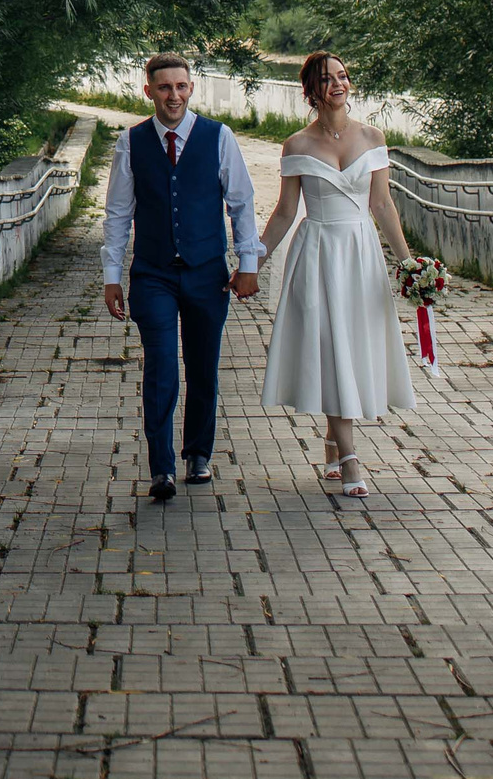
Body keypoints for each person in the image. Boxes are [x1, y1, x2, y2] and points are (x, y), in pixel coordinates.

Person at [99, 52, 262, 503]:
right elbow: (117, 214)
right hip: (152, 273)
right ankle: (162, 468)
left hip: (207, 273)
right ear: (148, 91)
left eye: (182, 87)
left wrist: (247, 265)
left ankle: (198, 454)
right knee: (162, 367)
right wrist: (112, 276)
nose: (174, 95)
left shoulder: (218, 137)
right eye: (165, 87)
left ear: (191, 89)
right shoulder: (131, 141)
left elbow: (241, 203)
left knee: (203, 367)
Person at [257, 51, 416, 498]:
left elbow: (382, 205)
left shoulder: (372, 136)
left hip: (360, 253)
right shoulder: (297, 145)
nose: (338, 85)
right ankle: (348, 455)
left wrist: (409, 266)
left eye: (343, 76)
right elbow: (286, 212)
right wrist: (254, 262)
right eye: (327, 79)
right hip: (318, 252)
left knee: (349, 346)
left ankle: (332, 440)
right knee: (329, 345)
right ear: (311, 89)